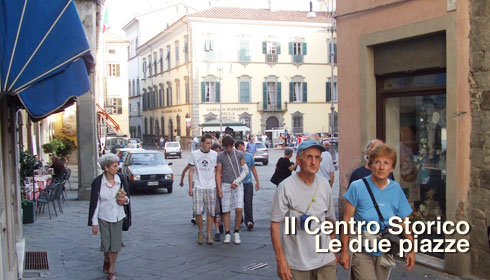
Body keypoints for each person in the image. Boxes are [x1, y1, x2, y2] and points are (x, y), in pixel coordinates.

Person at [340, 143, 415, 279]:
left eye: (386, 163)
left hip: (384, 249)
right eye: (377, 162)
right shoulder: (357, 187)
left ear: (392, 168)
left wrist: (411, 250)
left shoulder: (396, 189)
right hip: (360, 249)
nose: (381, 167)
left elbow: (405, 221)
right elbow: (347, 221)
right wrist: (344, 251)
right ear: (370, 165)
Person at [271, 140, 337, 280]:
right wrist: (280, 260)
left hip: (325, 260)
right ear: (298, 160)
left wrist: (333, 250)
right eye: (309, 157)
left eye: (317, 157)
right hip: (297, 263)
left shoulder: (325, 185)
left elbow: (330, 219)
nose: (313, 162)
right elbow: (275, 225)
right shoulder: (285, 187)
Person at [88, 154, 130, 280]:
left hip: (118, 216)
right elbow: (95, 204)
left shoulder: (121, 179)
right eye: (115, 166)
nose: (117, 168)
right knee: (106, 245)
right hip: (103, 217)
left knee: (115, 245)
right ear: (106, 168)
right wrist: (94, 223)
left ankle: (111, 270)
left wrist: (125, 200)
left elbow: (128, 198)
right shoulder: (98, 182)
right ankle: (107, 259)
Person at [216, 136, 248, 245]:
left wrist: (237, 181)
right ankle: (228, 233)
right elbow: (218, 172)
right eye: (226, 147)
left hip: (237, 184)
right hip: (225, 184)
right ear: (224, 147)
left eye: (230, 147)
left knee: (239, 209)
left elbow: (245, 171)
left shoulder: (239, 154)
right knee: (226, 211)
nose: (228, 149)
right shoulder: (220, 156)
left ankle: (237, 232)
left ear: (233, 145)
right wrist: (219, 188)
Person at [188, 134, 218, 245]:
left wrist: (218, 186)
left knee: (211, 211)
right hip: (198, 185)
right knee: (197, 211)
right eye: (207, 143)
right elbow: (191, 170)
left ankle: (209, 234)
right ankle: (201, 231)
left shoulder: (215, 154)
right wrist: (190, 186)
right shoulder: (194, 154)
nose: (210, 145)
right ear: (202, 143)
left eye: (211, 143)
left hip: (211, 185)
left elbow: (217, 171)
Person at [235, 141, 260, 231]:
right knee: (238, 203)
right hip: (238, 183)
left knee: (248, 202)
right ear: (236, 148)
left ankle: (249, 221)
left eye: (243, 146)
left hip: (248, 182)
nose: (242, 148)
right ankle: (240, 217)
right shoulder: (235, 157)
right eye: (239, 146)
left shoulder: (249, 156)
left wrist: (257, 181)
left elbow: (253, 169)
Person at [210, 143, 224, 241]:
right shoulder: (211, 161)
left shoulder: (223, 160)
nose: (218, 152)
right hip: (214, 187)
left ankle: (221, 223)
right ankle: (217, 230)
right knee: (216, 210)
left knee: (224, 209)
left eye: (219, 150)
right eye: (216, 150)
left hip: (223, 186)